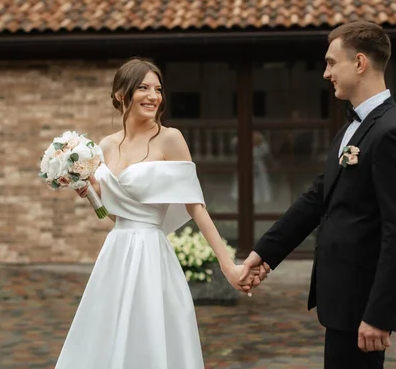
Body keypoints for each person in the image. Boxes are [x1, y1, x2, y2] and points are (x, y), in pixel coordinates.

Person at [241, 21, 396, 369]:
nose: (326, 73)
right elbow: (317, 198)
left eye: (330, 62)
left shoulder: (392, 133)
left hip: (363, 307)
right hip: (340, 301)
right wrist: (264, 252)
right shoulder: (351, 128)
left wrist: (380, 313)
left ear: (359, 63)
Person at [55, 58, 257, 369]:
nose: (154, 96)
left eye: (158, 89)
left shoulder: (170, 138)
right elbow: (114, 215)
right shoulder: (105, 147)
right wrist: (91, 194)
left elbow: (195, 204)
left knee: (149, 336)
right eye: (144, 88)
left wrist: (227, 263)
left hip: (151, 254)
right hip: (115, 254)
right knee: (108, 336)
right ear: (122, 94)